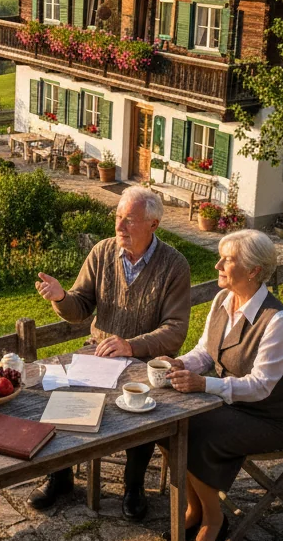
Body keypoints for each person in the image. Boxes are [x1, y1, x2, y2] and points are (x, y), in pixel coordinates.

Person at [32, 185, 191, 517]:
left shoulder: (174, 265)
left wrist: (131, 346)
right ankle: (60, 477)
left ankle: (133, 487)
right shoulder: (103, 252)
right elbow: (80, 308)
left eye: (129, 220)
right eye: (118, 217)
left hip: (143, 361)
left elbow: (175, 330)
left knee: (143, 405)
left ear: (154, 225)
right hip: (98, 354)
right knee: (59, 393)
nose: (119, 227)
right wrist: (61, 298)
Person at [157, 229, 283, 541]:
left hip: (267, 417)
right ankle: (195, 509)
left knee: (196, 435)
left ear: (253, 271)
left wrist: (205, 385)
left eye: (228, 259)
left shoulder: (277, 321)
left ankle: (214, 518)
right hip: (228, 403)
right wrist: (177, 362)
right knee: (166, 427)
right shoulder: (223, 300)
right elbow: (205, 351)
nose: (218, 264)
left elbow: (261, 386)